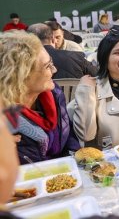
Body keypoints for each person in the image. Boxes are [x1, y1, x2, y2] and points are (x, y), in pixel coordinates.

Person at [0, 31, 79, 164]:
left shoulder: (54, 94)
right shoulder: (5, 118)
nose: (54, 70)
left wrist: (75, 158)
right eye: (47, 66)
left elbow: (68, 134)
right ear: (21, 77)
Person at [28, 23, 98, 79]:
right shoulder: (76, 56)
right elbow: (98, 75)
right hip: (75, 96)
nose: (53, 70)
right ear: (53, 39)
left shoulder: (24, 62)